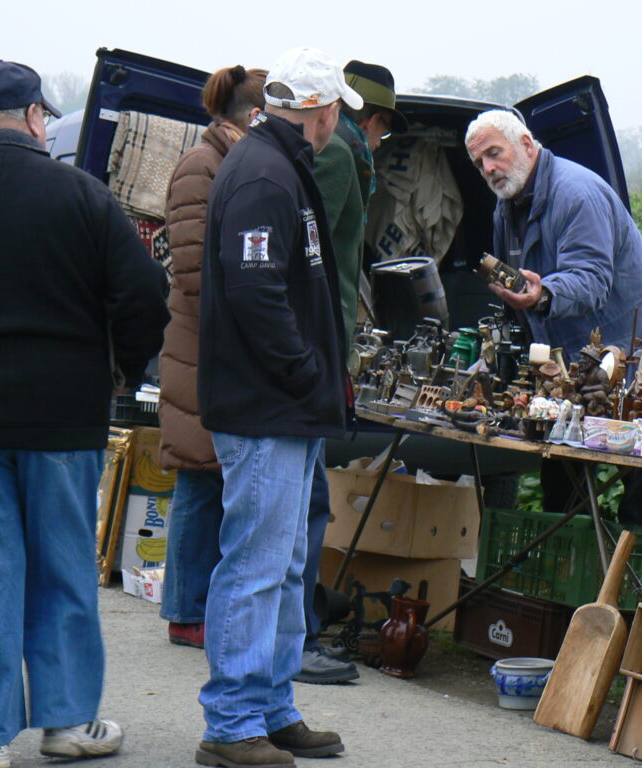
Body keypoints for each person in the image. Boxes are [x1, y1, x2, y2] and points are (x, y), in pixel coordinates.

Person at [0, 61, 168, 767]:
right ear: (38, 118)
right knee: (64, 570)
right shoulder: (82, 195)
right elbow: (144, 295)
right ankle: (68, 724)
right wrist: (124, 373)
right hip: (62, 416)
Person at [195, 47, 359, 768]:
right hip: (267, 407)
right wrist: (304, 372)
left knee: (286, 564)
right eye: (337, 114)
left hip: (284, 408)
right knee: (258, 566)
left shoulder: (273, 164)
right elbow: (256, 292)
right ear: (323, 112)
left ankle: (269, 706)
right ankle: (231, 723)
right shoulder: (266, 173)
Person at [465, 109, 642, 531]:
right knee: (562, 474)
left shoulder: (576, 193)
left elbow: (590, 280)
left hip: (641, 354)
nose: (489, 169)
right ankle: (572, 586)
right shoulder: (505, 208)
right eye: (480, 163)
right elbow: (517, 295)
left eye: (495, 154)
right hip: (577, 362)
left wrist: (543, 293)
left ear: (527, 145)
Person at [295, 59, 408, 686]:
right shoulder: (341, 156)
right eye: (384, 129)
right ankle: (300, 636)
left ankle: (300, 622)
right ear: (376, 120)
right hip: (316, 343)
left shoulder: (339, 152)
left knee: (305, 496)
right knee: (307, 500)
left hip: (320, 339)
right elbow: (310, 257)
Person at [158, 65, 266, 651]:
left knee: (211, 476)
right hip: (202, 348)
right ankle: (185, 610)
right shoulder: (202, 166)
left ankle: (195, 605)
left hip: (214, 347)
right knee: (200, 477)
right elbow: (196, 269)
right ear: (252, 117)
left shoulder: (228, 161)